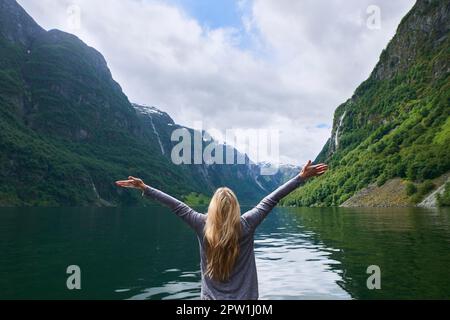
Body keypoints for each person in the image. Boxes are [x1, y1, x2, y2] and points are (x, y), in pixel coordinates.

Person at [115, 160, 328, 300]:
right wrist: (300, 178)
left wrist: (145, 188)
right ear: (236, 206)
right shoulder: (247, 224)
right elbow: (271, 200)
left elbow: (176, 205)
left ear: (212, 207)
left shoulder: (201, 224)